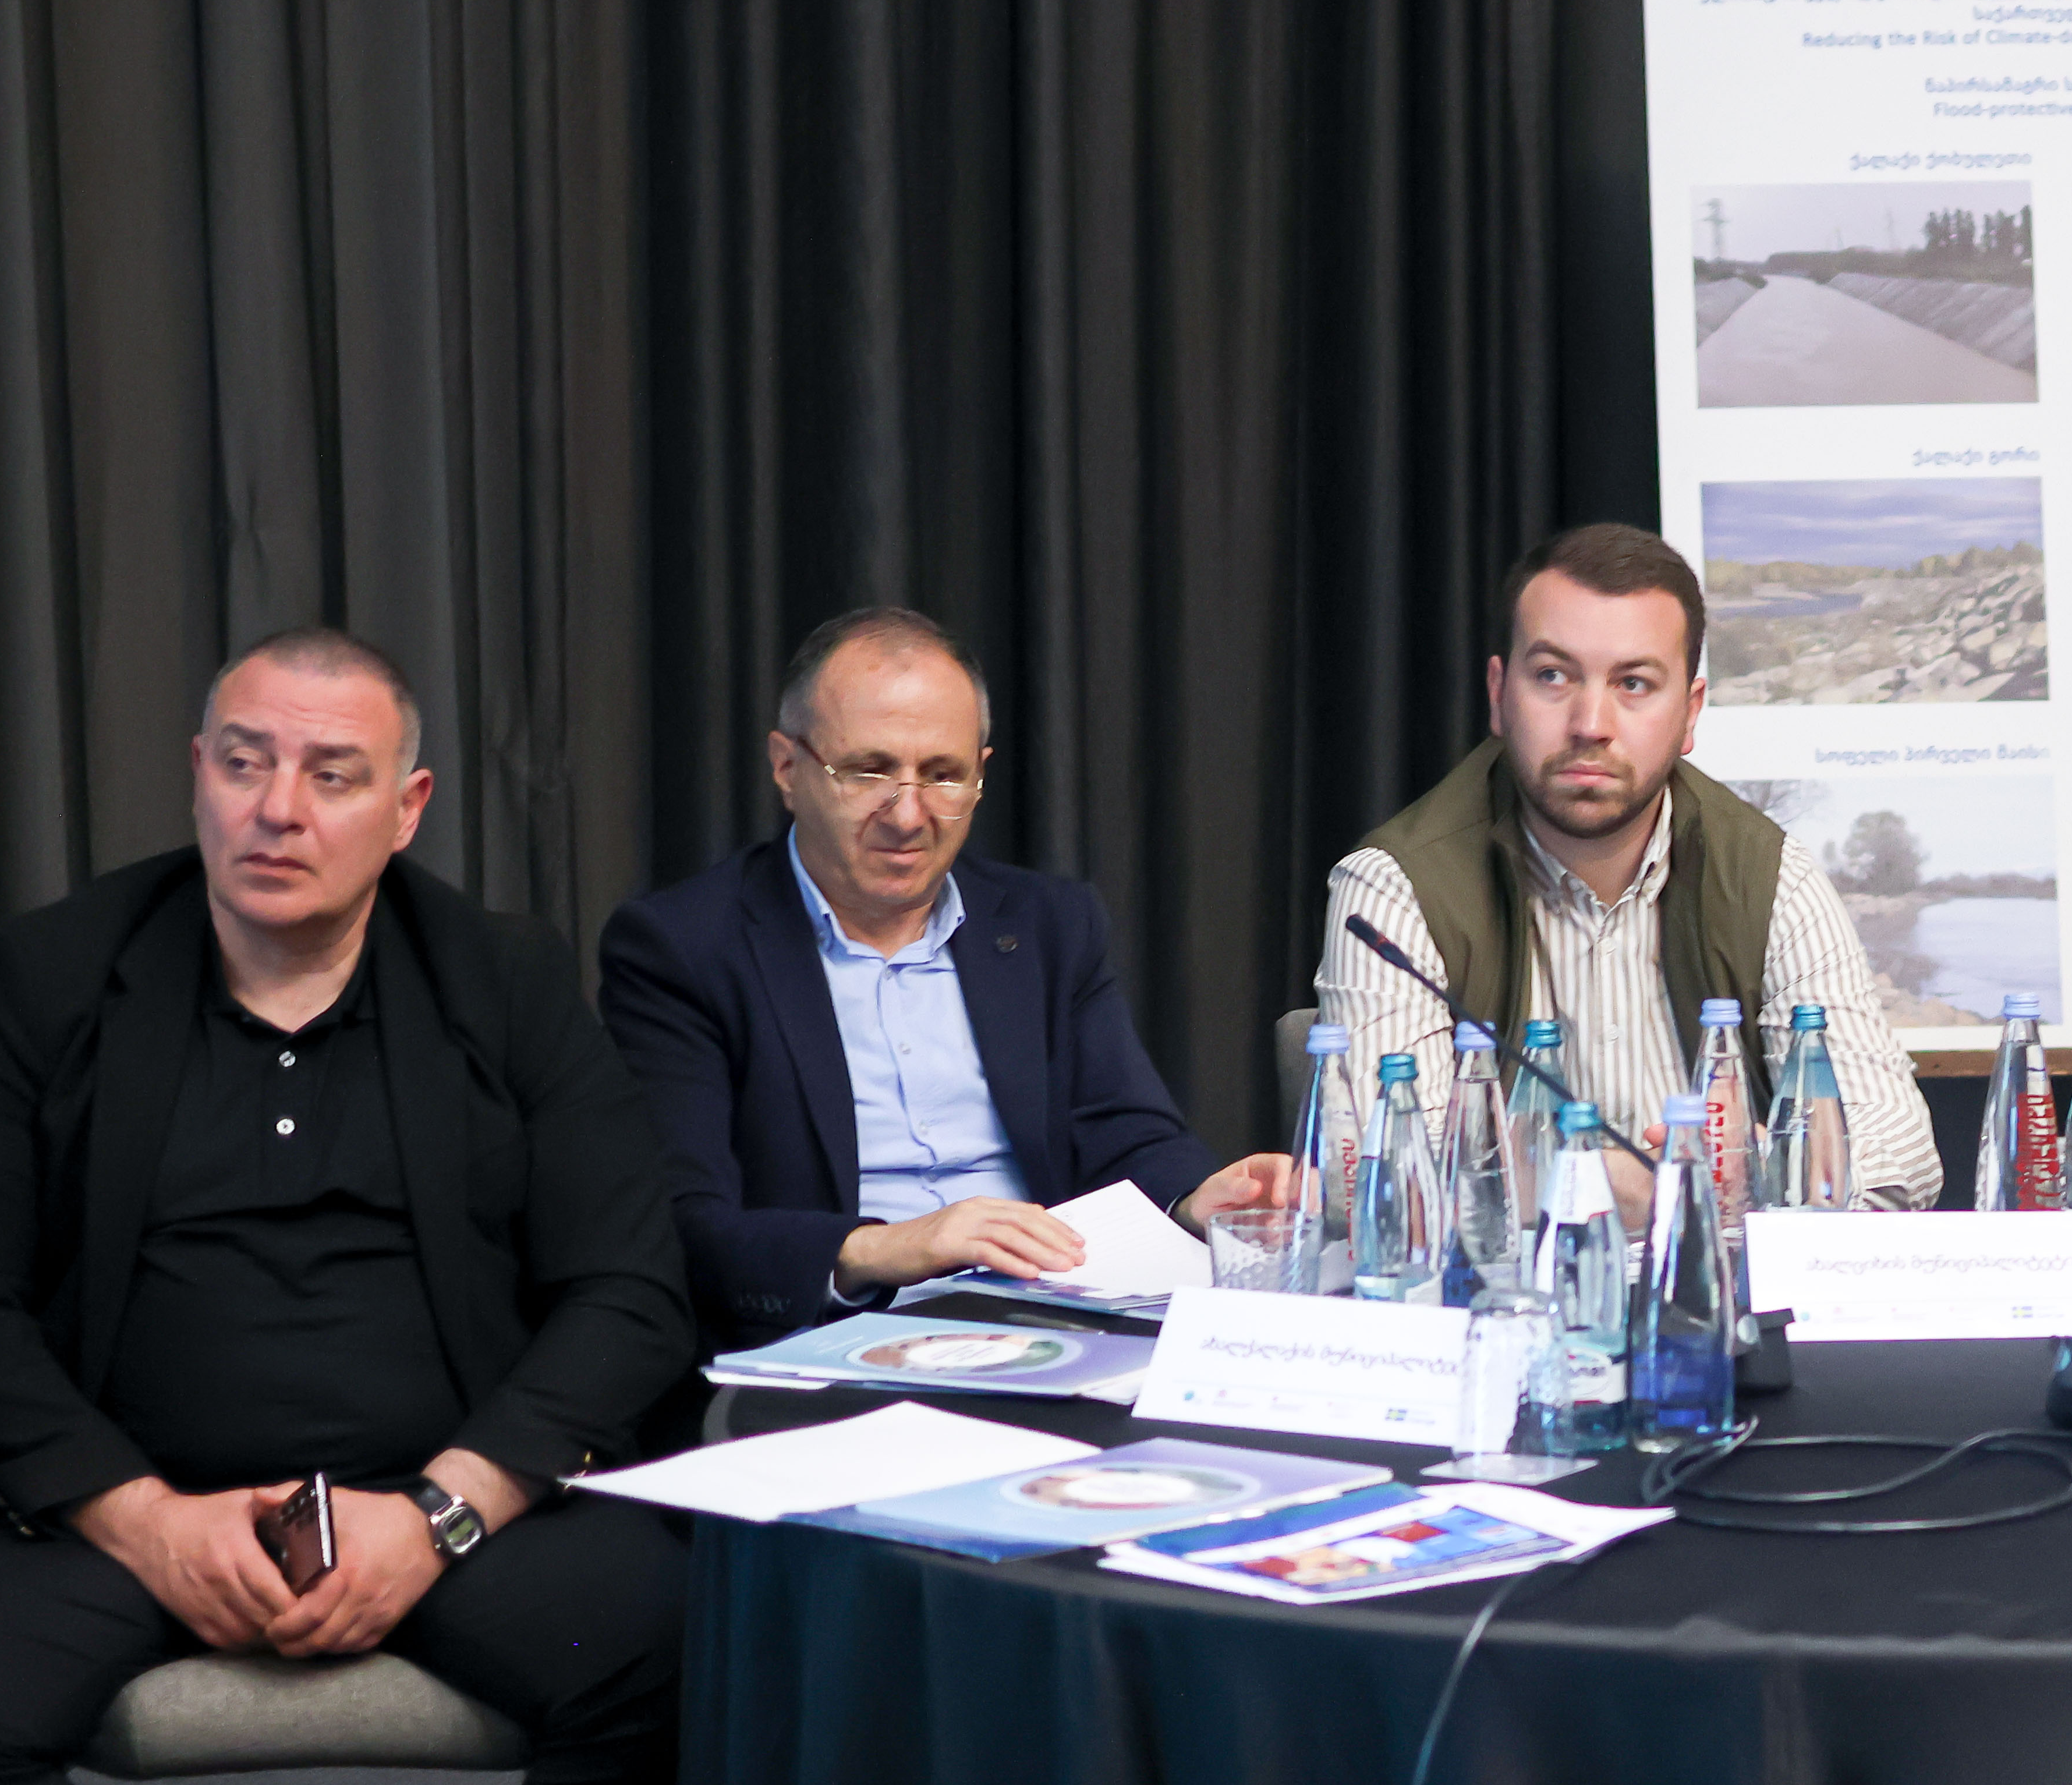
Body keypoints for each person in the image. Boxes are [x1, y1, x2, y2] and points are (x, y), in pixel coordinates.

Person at [0, 631, 698, 1785]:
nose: (277, 808)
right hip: (133, 1504)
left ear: (406, 806)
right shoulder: (52, 977)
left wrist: (441, 1512)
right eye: (244, 760)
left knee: (680, 1663)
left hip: (441, 1505)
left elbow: (629, 1292)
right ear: (196, 773)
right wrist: (141, 1516)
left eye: (330, 774)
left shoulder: (502, 981)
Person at [598, 607, 1292, 1348]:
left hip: (1051, 1323)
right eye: (869, 771)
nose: (908, 814)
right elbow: (683, 1223)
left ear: (980, 775)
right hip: (835, 1340)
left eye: (943, 775)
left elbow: (1124, 1133)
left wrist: (1199, 1197)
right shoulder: (685, 947)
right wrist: (887, 1247)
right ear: (787, 768)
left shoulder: (1047, 924)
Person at [1314, 523, 1943, 1215]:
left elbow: (1902, 1154)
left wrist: (1747, 1172)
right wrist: (1609, 1189)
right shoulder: (1393, 887)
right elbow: (1377, 1177)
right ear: (1498, 694)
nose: (1591, 723)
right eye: (1552, 676)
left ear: (1690, 714)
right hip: (1507, 1282)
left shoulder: (1769, 876)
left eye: (1634, 683)